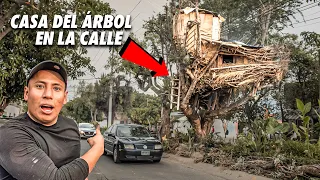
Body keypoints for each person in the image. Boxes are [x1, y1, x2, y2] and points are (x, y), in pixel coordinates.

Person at [0, 60, 104, 180]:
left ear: (64, 97)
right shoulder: (10, 134)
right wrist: (98, 148)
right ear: (26, 93)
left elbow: (77, 172)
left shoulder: (71, 127)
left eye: (56, 88)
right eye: (40, 86)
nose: (48, 94)